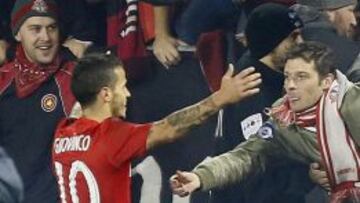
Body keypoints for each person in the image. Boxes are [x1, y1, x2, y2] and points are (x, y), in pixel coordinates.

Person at [51, 51, 261, 203]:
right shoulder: (110, 137)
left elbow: (80, 107)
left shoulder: (63, 132)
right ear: (106, 94)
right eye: (122, 87)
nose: (128, 94)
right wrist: (220, 99)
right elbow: (170, 128)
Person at [171, 41, 360, 203]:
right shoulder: (283, 118)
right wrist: (200, 177)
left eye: (301, 77)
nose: (291, 85)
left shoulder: (353, 104)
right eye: (287, 76)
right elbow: (247, 155)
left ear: (326, 82)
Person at [0, 0, 78, 202]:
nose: (45, 37)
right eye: (35, 29)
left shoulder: (75, 79)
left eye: (51, 28)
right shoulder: (2, 80)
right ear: (17, 34)